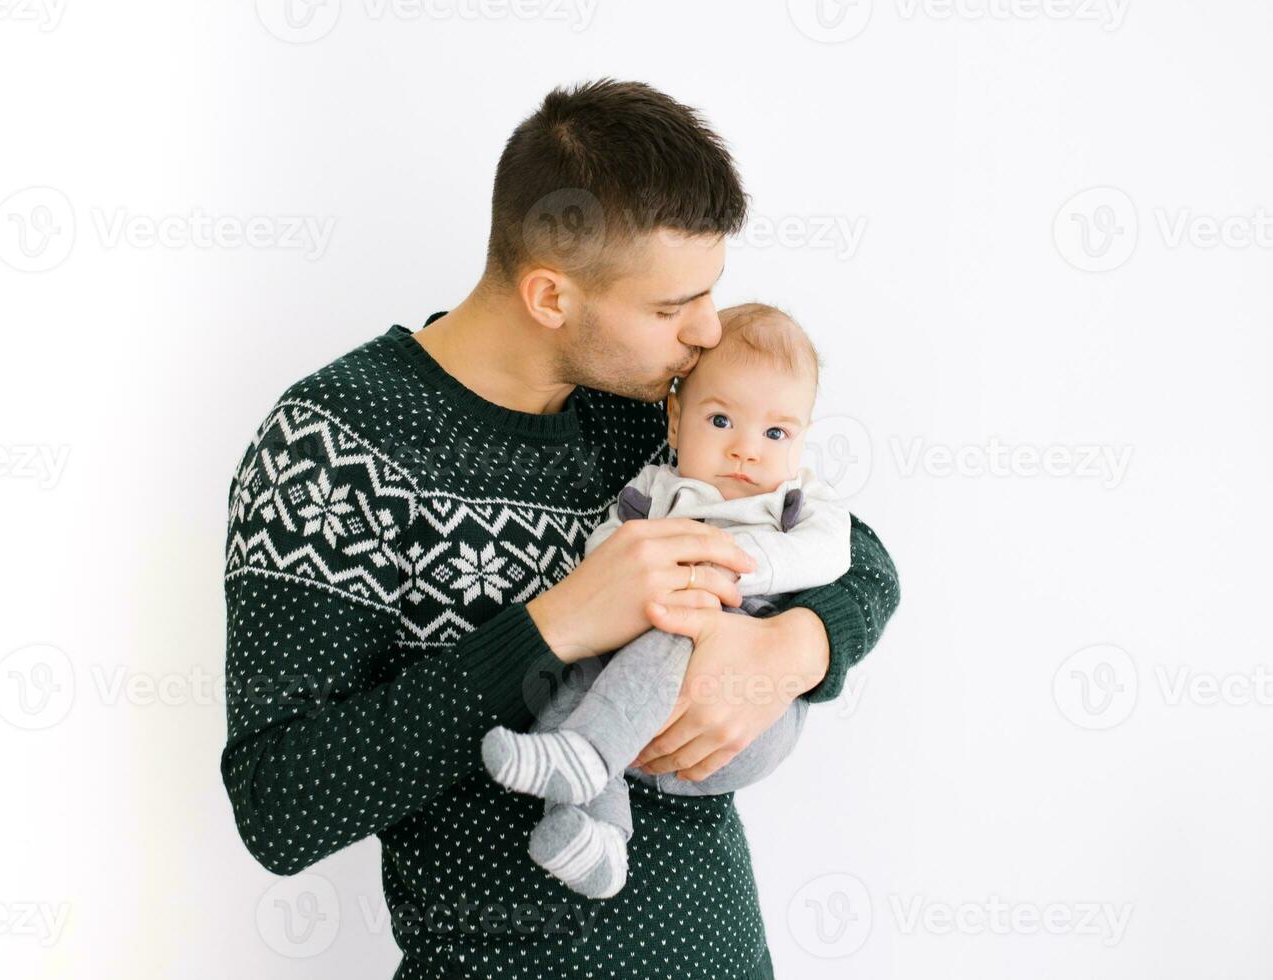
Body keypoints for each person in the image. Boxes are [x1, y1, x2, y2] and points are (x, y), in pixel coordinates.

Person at [220, 77, 900, 980]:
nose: (706, 336)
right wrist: (557, 626)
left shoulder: (642, 413)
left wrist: (792, 650)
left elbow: (859, 554)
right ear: (551, 296)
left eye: (711, 293)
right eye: (670, 309)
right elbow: (282, 804)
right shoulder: (335, 444)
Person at [482, 303, 852, 901]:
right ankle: (596, 837)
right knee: (567, 676)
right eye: (722, 420)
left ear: (803, 439)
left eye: (776, 433)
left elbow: (834, 555)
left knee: (680, 624)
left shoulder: (796, 499)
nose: (746, 451)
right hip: (639, 718)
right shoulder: (654, 488)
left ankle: (585, 752)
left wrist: (729, 573)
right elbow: (607, 551)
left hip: (740, 723)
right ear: (675, 421)